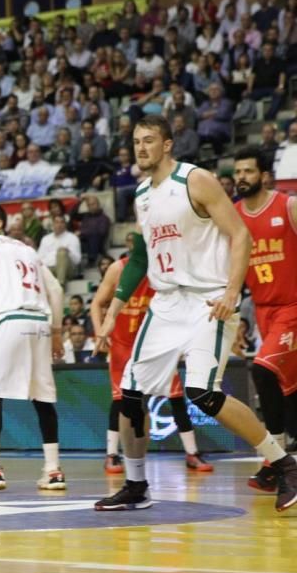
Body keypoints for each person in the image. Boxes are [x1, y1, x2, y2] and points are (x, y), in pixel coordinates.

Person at [95, 115, 297, 512]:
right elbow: (139, 258)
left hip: (208, 299)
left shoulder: (195, 180)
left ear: (168, 144)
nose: (141, 148)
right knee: (130, 394)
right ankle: (136, 486)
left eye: (149, 140)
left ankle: (284, 464)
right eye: (136, 141)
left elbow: (240, 234)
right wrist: (112, 312)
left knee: (203, 394)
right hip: (166, 302)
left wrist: (231, 291)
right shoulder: (141, 195)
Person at [0, 204, 66, 493]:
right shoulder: (30, 251)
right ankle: (53, 471)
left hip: (11, 319)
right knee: (43, 397)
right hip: (40, 323)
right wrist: (57, 333)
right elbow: (56, 291)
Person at [90, 239, 212, 475]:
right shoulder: (118, 269)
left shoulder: (165, 270)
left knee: (176, 396)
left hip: (156, 343)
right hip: (123, 344)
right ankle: (111, 455)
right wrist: (99, 333)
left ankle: (192, 453)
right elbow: (97, 303)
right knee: (120, 399)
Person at [231, 148, 297, 492]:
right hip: (261, 311)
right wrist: (238, 315)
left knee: (263, 371)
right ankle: (283, 461)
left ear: (264, 176)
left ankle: (276, 462)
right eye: (237, 171)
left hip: (292, 307)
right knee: (289, 389)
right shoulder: (234, 217)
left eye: (248, 171)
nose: (241, 177)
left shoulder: (287, 206)